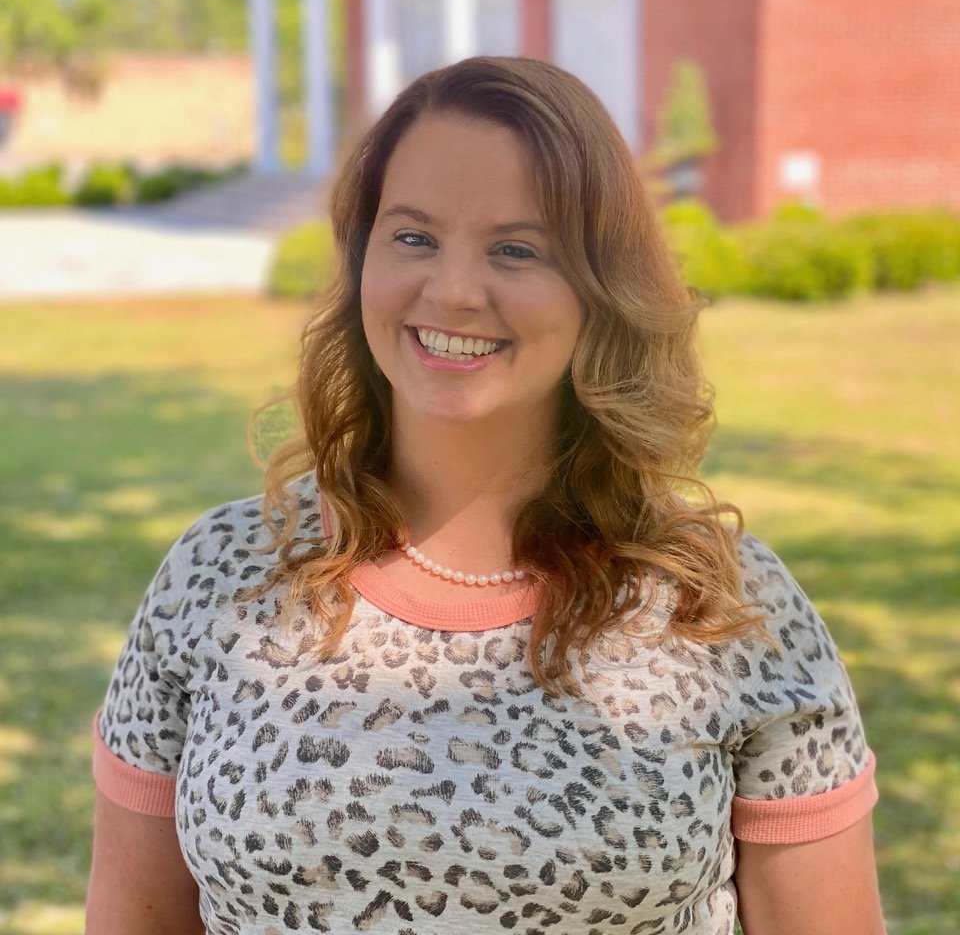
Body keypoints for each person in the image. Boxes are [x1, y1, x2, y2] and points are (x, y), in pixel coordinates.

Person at [86, 56, 886, 935]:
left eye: (517, 248)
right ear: (361, 262)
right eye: (414, 237)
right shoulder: (219, 580)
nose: (455, 291)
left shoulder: (726, 609)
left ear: (601, 290)